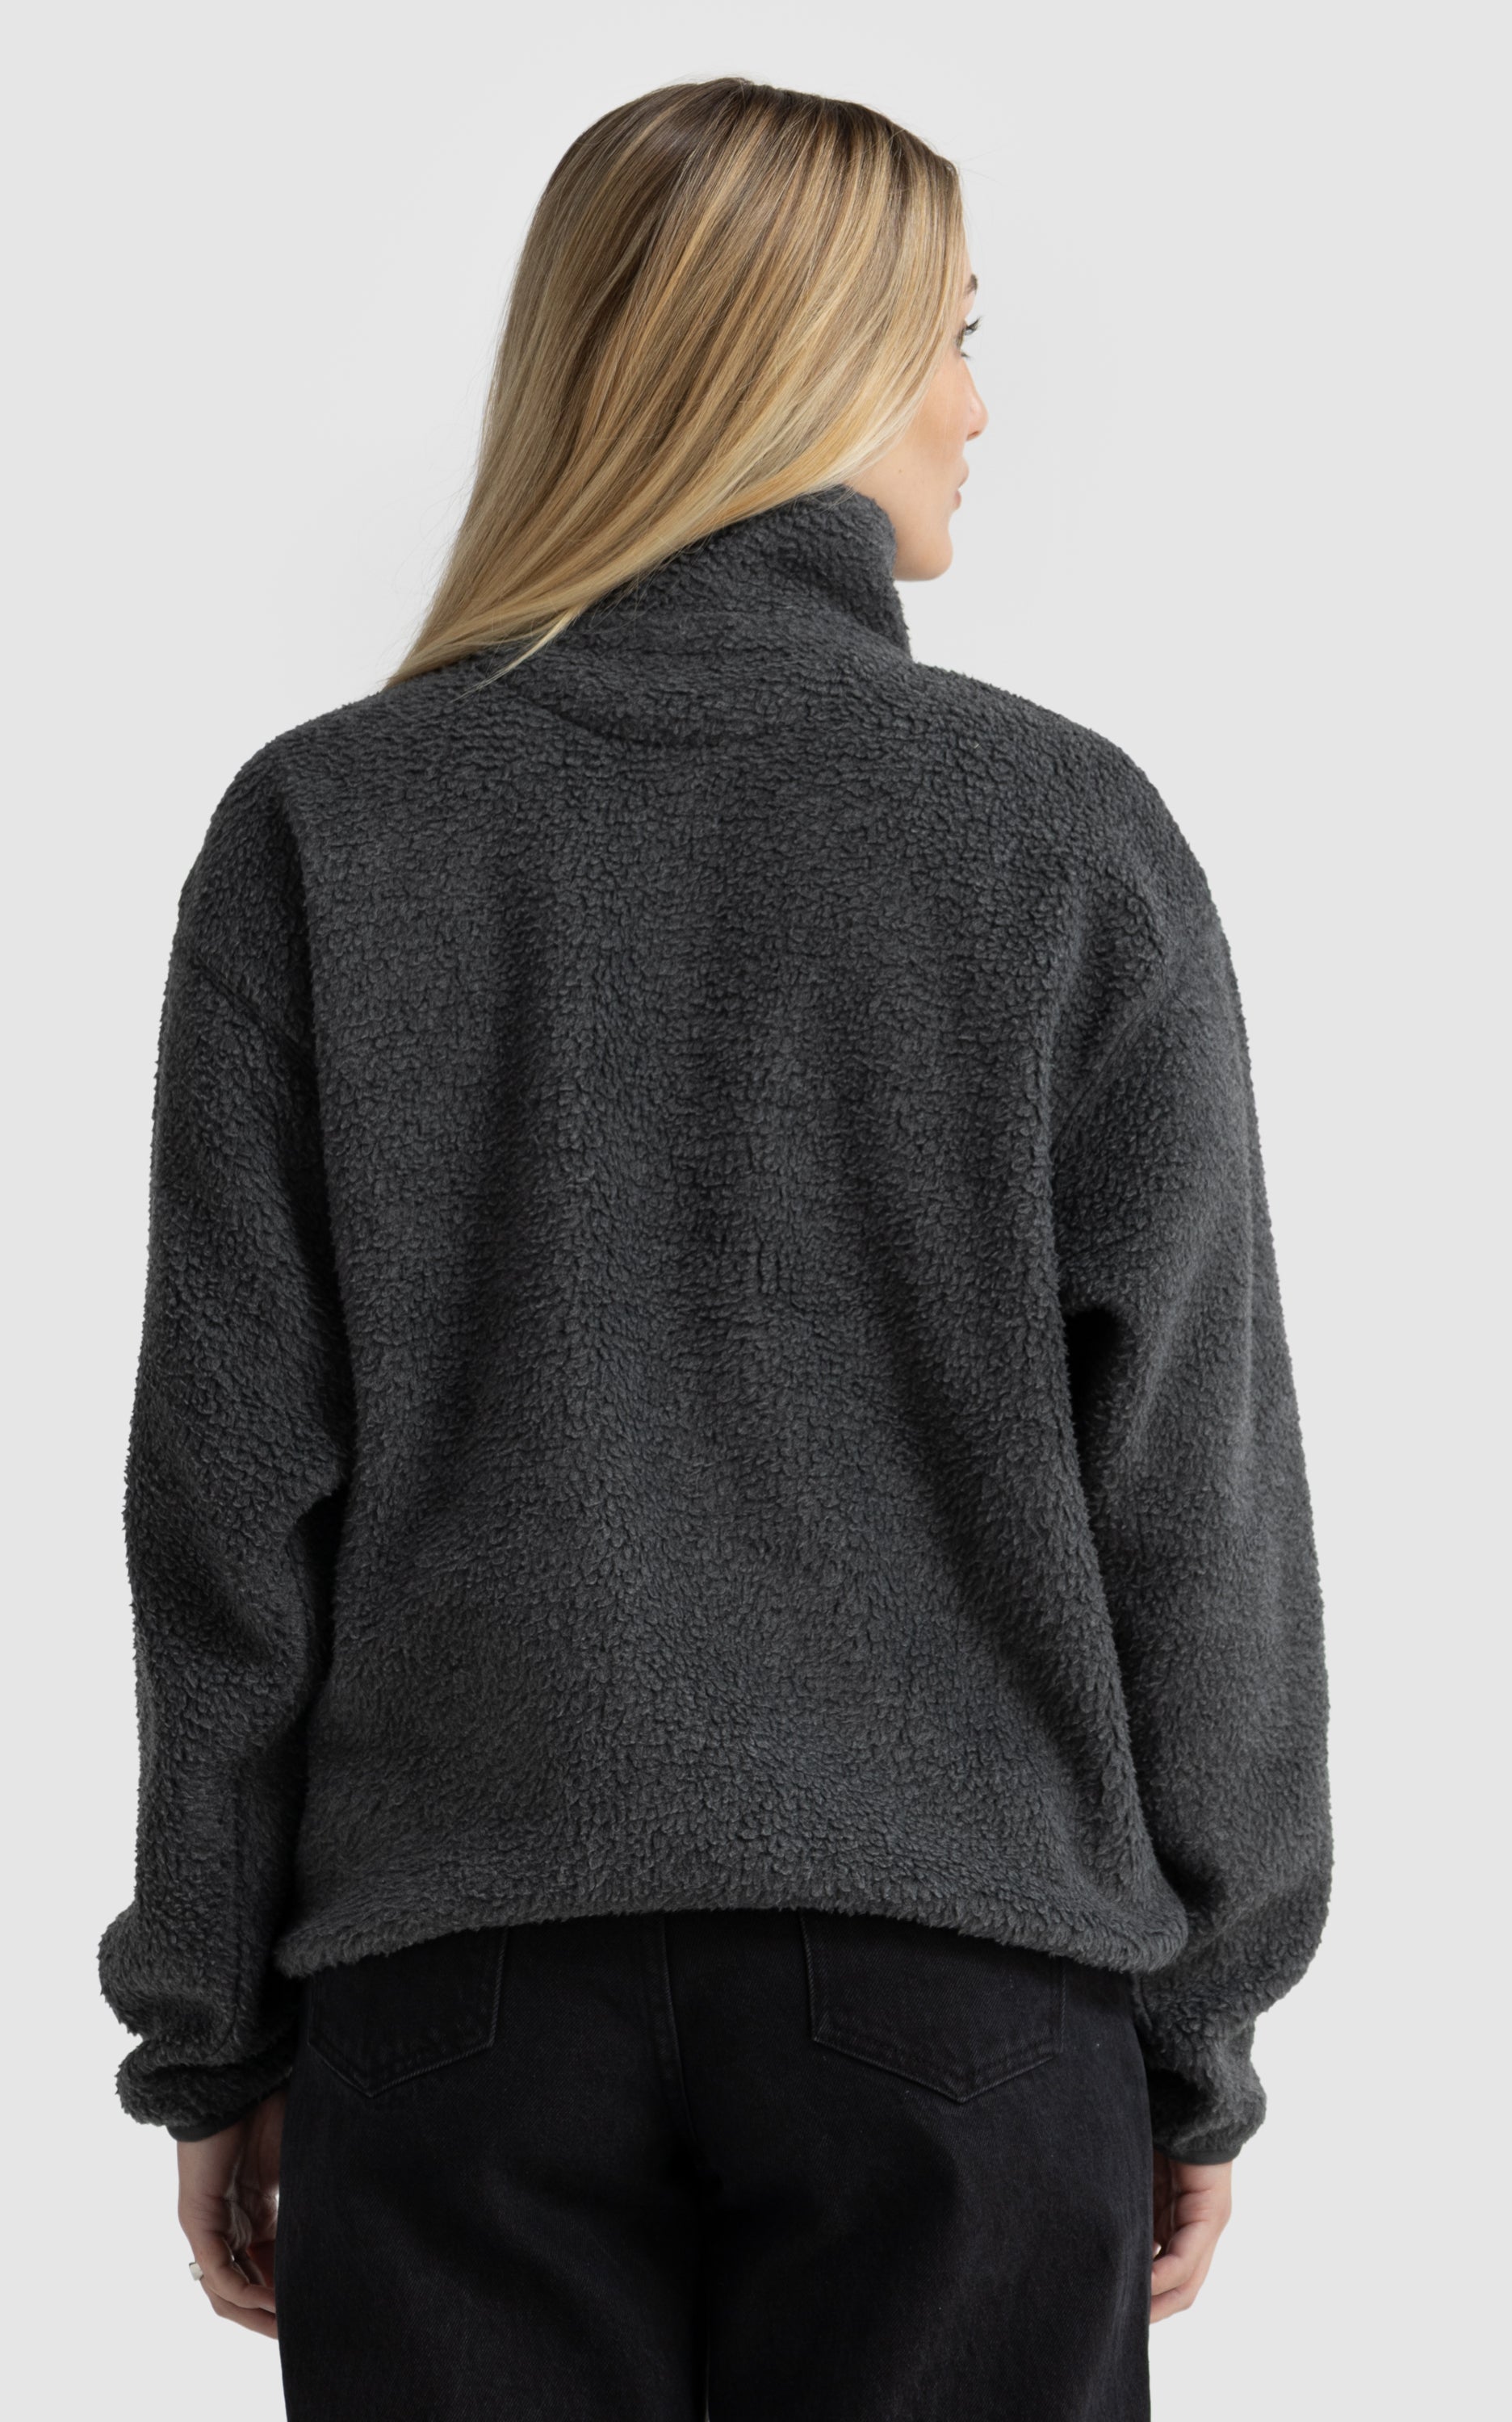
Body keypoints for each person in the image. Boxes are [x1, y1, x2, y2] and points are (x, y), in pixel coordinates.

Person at [98, 76, 1334, 2422]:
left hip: (451, 2007)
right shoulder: (1060, 837)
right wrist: (1200, 2021)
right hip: (965, 2002)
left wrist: (216, 2023)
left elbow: (229, 1504)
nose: (981, 407)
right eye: (952, 338)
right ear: (809, 360)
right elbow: (1193, 1491)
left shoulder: (329, 828)